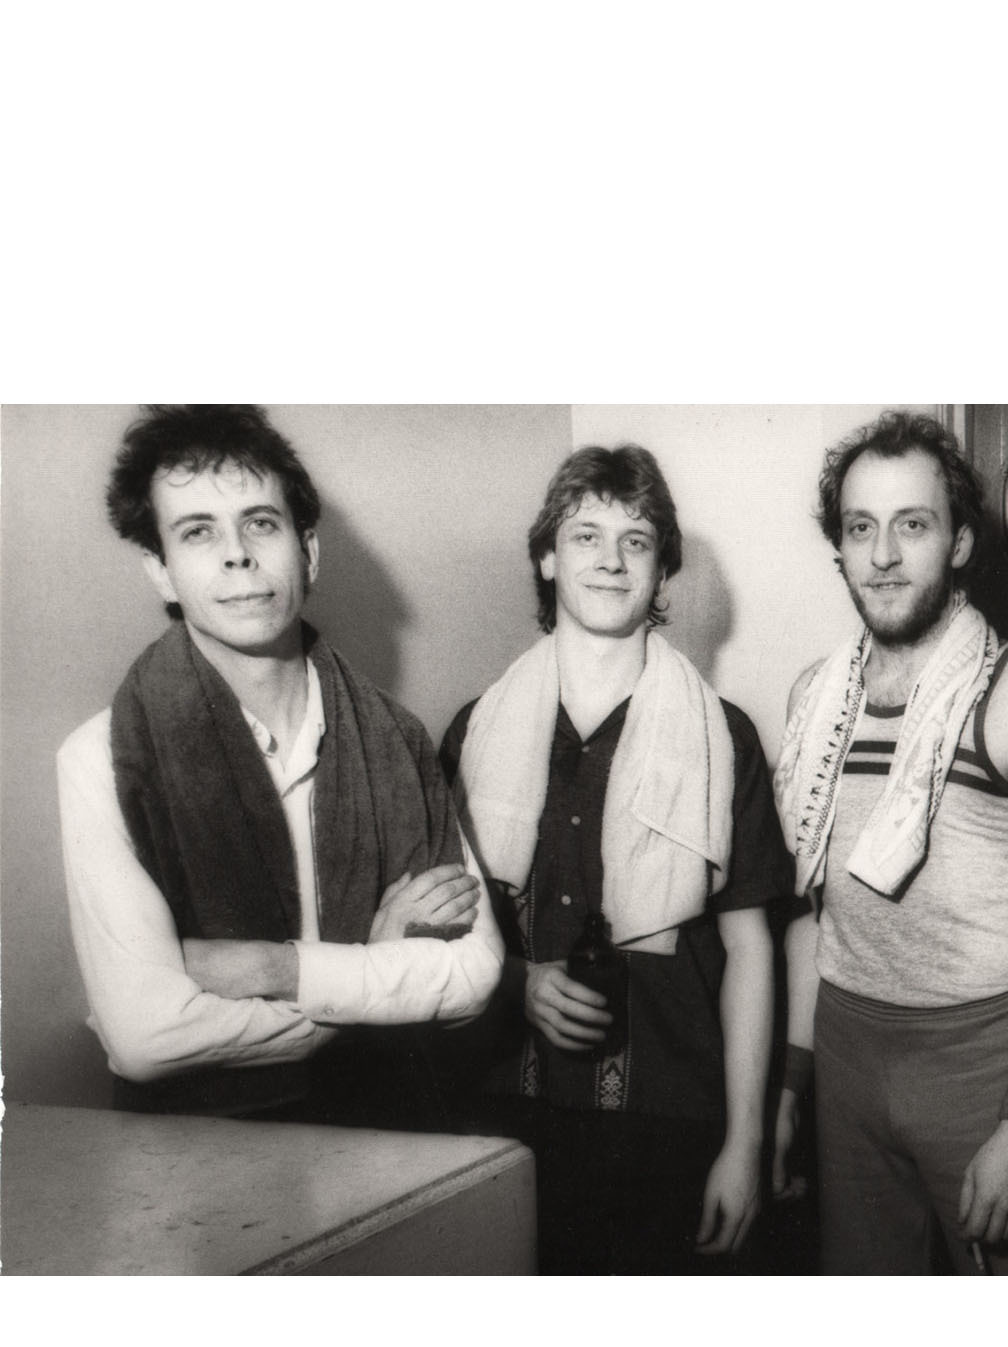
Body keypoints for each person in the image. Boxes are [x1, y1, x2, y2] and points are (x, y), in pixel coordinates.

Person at [58, 404, 503, 1127]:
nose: (237, 554)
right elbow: (146, 1038)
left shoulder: (397, 738)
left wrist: (273, 969)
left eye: (260, 523)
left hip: (381, 1132)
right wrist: (366, 976)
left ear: (309, 553)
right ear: (161, 573)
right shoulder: (100, 759)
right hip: (200, 1155)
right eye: (197, 531)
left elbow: (475, 974)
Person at [440, 443, 792, 1273]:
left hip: (670, 1119)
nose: (610, 560)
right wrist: (520, 984)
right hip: (503, 1112)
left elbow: (750, 950)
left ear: (661, 569)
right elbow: (440, 935)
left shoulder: (724, 736)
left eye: (636, 541)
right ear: (546, 558)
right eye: (585, 535)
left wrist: (744, 1146)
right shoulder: (473, 729)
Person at [772, 410, 1008, 1273]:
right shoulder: (816, 699)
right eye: (860, 528)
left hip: (980, 1064)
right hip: (846, 1058)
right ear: (839, 547)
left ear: (958, 543)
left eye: (911, 525)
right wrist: (793, 1085)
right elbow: (814, 914)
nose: (883, 555)